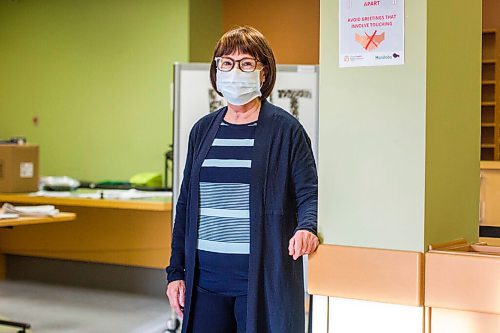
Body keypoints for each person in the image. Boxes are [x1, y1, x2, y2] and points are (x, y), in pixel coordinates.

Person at [166, 26, 319, 333]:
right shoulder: (202, 130)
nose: (235, 71)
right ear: (216, 71)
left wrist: (306, 227)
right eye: (227, 62)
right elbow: (185, 205)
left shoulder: (286, 130)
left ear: (264, 73)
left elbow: (308, 192)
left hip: (260, 282)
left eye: (247, 63)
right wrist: (176, 272)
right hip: (204, 283)